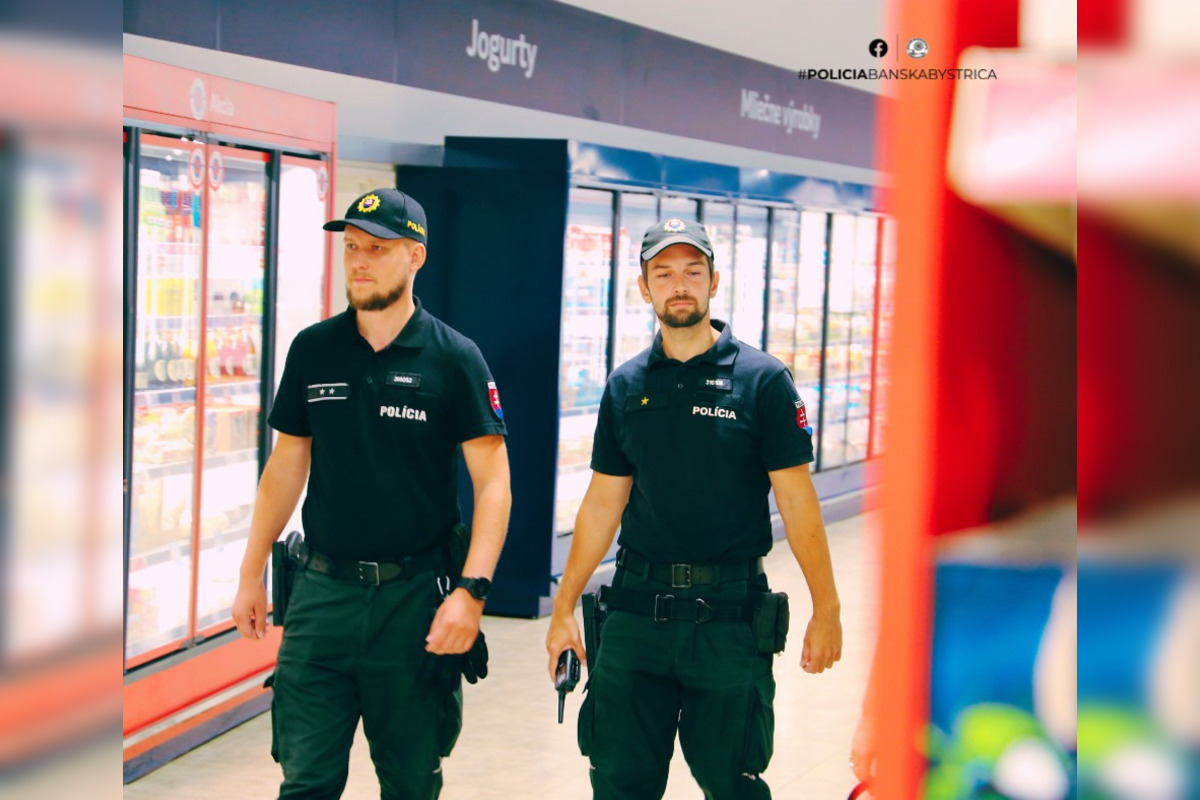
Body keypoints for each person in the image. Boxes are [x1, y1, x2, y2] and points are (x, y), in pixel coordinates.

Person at [545, 217, 843, 799]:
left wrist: (825, 607)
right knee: (619, 783)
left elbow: (798, 501)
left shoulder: (763, 382)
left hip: (729, 619)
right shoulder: (626, 387)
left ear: (713, 282)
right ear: (644, 287)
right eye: (664, 273)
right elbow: (603, 503)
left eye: (691, 271)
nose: (678, 285)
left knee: (732, 783)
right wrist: (561, 609)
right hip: (634, 618)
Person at [232, 188, 511, 800]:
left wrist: (472, 592)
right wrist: (251, 570)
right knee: (305, 781)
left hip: (413, 603)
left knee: (410, 782)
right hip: (319, 599)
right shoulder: (314, 348)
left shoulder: (454, 359)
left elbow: (493, 483)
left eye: (377, 249)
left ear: (416, 256)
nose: (358, 261)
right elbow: (286, 465)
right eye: (352, 247)